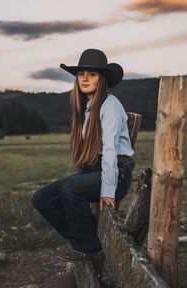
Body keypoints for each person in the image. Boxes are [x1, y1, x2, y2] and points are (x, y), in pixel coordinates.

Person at [32, 48, 134, 262]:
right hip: (94, 170)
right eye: (81, 73)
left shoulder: (110, 105)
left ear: (102, 79)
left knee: (69, 188)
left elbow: (109, 151)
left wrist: (108, 191)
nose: (85, 78)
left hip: (116, 173)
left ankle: (89, 248)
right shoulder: (86, 108)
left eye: (92, 74)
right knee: (42, 198)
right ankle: (86, 241)